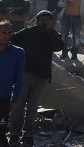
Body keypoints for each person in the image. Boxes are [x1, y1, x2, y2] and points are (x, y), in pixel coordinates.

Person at [8, 11, 64, 146]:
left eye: (47, 20)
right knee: (19, 104)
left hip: (42, 75)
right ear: (37, 20)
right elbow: (12, 38)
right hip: (25, 73)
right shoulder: (29, 32)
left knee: (33, 107)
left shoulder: (53, 34)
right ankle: (14, 133)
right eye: (41, 19)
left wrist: (50, 30)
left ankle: (29, 135)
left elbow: (58, 47)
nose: (43, 22)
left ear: (51, 22)